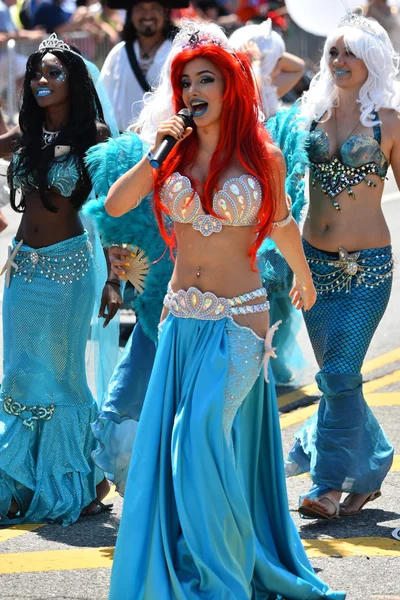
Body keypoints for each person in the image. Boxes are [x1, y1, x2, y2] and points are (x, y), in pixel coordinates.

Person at [104, 21, 345, 599]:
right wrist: (156, 151)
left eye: (205, 79)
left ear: (230, 87)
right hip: (181, 320)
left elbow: (282, 224)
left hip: (241, 319)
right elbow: (116, 204)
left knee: (197, 438)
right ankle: (199, 560)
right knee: (187, 449)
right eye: (184, 81)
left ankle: (222, 577)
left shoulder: (262, 155)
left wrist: (306, 274)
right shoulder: (170, 154)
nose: (192, 91)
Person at [0, 34, 122, 525]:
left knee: (62, 375)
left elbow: (112, 212)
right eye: (36, 74)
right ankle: (22, 482)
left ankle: (77, 479)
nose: (42, 81)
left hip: (70, 270)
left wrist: (114, 278)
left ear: (75, 80)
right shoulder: (23, 137)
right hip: (23, 268)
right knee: (19, 372)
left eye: (54, 73)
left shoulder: (95, 135)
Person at [285, 11, 396, 519]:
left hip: (367, 270)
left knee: (339, 372)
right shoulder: (312, 115)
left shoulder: (389, 122)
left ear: (371, 58)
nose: (339, 60)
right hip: (313, 265)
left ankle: (327, 484)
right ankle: (372, 463)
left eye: (350, 51)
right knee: (338, 377)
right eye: (333, 51)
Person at [230, 18, 307, 385]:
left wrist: (261, 51)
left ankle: (268, 361)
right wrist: (247, 59)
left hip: (272, 188)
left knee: (278, 277)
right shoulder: (231, 96)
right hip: (242, 199)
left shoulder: (271, 91)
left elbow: (298, 66)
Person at [100, 0, 188, 132]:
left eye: (154, 8)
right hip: (124, 144)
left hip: (168, 142)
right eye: (140, 8)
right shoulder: (119, 53)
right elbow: (102, 100)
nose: (147, 15)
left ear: (165, 13)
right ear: (131, 15)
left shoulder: (179, 51)